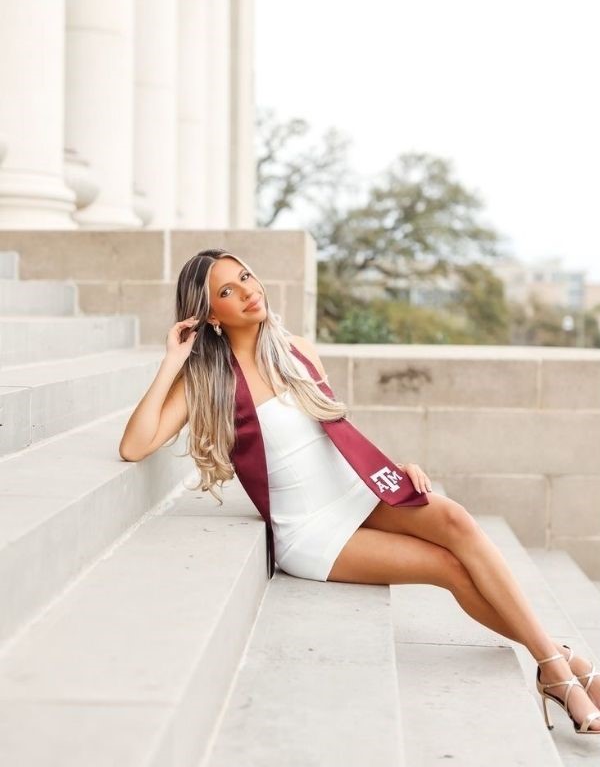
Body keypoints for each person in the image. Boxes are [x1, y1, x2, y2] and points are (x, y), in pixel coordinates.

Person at [119, 248, 600, 736]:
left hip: (356, 489)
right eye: (227, 291)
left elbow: (332, 429)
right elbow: (135, 445)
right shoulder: (210, 381)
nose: (248, 292)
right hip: (311, 529)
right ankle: (564, 668)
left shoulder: (297, 349)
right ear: (209, 314)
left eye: (246, 277)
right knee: (447, 566)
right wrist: (173, 360)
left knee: (455, 520)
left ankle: (557, 667)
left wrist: (392, 467)